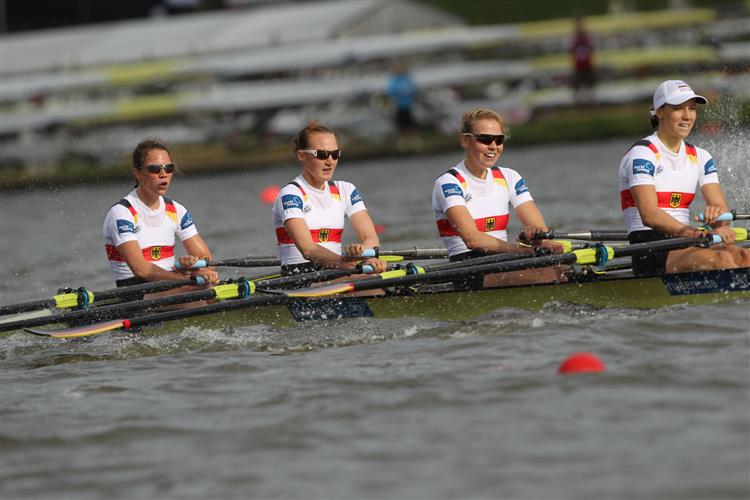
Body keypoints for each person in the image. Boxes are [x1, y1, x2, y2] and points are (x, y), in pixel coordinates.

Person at [618, 79, 750, 276]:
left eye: (692, 108)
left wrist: (716, 217)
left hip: (687, 239)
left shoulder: (701, 157)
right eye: (678, 108)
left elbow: (722, 214)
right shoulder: (643, 154)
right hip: (649, 247)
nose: (687, 116)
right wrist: (694, 233)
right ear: (660, 112)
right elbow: (649, 214)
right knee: (722, 259)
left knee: (746, 256)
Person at [432, 108, 564, 289]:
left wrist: (540, 238)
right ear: (465, 140)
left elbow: (538, 227)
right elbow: (473, 240)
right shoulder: (449, 182)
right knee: (549, 275)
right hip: (467, 266)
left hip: (504, 258)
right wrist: (523, 251)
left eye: (499, 139)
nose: (493, 146)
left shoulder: (510, 177)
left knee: (566, 271)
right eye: (485, 139)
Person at [272, 121, 387, 276]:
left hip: (337, 270)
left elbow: (370, 236)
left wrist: (366, 256)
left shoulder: (346, 190)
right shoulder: (291, 195)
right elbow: (308, 249)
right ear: (301, 155)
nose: (330, 161)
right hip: (300, 275)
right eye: (322, 154)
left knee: (375, 280)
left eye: (335, 154)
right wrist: (349, 264)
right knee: (371, 283)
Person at [103, 138, 219, 288]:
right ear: (137, 173)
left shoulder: (176, 210)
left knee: (209, 288)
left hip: (172, 284)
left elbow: (204, 257)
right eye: (155, 169)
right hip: (137, 290)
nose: (163, 174)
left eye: (168, 168)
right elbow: (141, 270)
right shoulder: (122, 213)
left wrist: (204, 271)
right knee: (203, 291)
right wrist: (189, 280)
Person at [570, 16, 595, 106]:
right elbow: (572, 51)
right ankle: (578, 104)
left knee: (589, 85)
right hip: (578, 65)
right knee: (577, 86)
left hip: (587, 64)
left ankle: (590, 103)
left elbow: (591, 49)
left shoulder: (586, 36)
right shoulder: (574, 36)